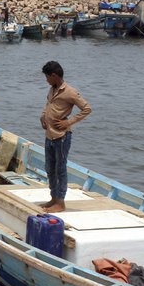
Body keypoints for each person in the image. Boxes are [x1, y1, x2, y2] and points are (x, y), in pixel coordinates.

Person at [40, 61, 91, 212]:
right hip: (49, 135)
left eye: (47, 77)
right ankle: (54, 197)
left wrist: (68, 122)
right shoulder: (51, 89)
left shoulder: (70, 92)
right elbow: (47, 105)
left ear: (54, 75)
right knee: (50, 168)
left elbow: (87, 108)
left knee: (60, 168)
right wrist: (43, 116)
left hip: (62, 136)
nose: (46, 80)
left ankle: (60, 202)